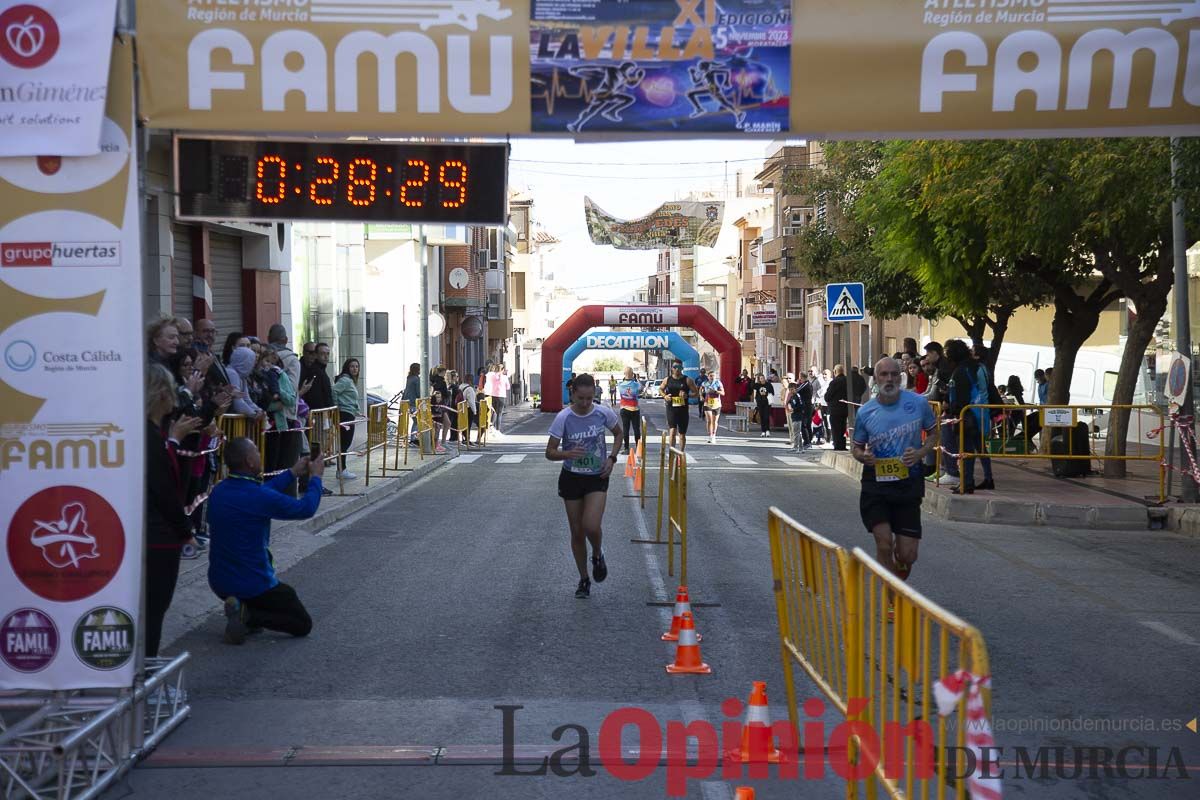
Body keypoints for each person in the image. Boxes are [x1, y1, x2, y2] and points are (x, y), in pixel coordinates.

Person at [207, 437, 323, 644]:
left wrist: (292, 472)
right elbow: (306, 508)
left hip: (219, 581)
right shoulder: (258, 497)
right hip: (253, 583)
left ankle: (243, 610)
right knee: (302, 623)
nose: (261, 455)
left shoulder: (219, 490)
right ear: (250, 461)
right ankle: (247, 615)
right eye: (257, 452)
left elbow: (261, 493)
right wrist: (316, 478)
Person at [851, 358, 939, 608]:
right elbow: (856, 447)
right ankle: (891, 600)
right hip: (875, 484)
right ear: (876, 379)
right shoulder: (865, 411)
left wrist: (921, 453)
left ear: (900, 378)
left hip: (908, 482)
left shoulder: (919, 404)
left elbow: (934, 433)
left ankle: (898, 568)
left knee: (907, 555)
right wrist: (863, 456)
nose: (889, 379)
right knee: (883, 542)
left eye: (893, 375)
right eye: (883, 375)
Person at [544, 374, 622, 599]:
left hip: (597, 476)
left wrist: (612, 458)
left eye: (590, 398)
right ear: (572, 394)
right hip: (571, 477)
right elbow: (549, 452)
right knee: (577, 531)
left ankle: (597, 554)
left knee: (591, 525)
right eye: (581, 398)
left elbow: (618, 433)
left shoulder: (602, 412)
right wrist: (566, 454)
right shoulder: (563, 417)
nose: (586, 403)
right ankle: (584, 579)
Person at [144, 364, 202, 657]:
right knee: (154, 609)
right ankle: (145, 679)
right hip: (158, 536)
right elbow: (166, 490)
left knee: (155, 609)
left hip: (158, 533)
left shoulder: (154, 434)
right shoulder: (149, 436)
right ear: (160, 394)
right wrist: (186, 531)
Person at [944, 339, 994, 494]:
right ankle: (988, 478)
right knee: (980, 447)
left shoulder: (961, 370)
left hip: (967, 414)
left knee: (966, 449)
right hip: (981, 413)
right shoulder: (980, 367)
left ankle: (967, 482)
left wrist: (953, 411)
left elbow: (960, 395)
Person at [660, 360, 698, 450]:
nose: (677, 369)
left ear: (682, 369)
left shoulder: (687, 380)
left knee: (681, 434)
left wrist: (687, 395)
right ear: (672, 369)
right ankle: (672, 452)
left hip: (683, 410)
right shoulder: (667, 380)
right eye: (675, 367)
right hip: (671, 408)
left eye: (679, 368)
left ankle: (681, 453)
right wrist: (665, 396)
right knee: (672, 431)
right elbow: (660, 389)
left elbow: (696, 393)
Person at [333, 358, 362, 478]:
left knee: (345, 443)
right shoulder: (345, 380)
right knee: (344, 443)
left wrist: (356, 411)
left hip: (349, 413)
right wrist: (337, 407)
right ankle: (341, 470)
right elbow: (333, 391)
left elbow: (350, 399)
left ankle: (341, 469)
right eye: (352, 366)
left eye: (356, 366)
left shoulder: (350, 381)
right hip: (344, 414)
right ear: (347, 367)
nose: (355, 369)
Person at [617, 366, 642, 454]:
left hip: (624, 409)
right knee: (636, 429)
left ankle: (626, 448)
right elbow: (640, 388)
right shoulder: (635, 384)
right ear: (632, 374)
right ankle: (639, 448)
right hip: (634, 409)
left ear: (624, 374)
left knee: (625, 429)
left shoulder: (620, 385)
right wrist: (636, 379)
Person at [825, 365, 849, 450]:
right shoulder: (847, 381)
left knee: (835, 429)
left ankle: (837, 446)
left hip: (835, 409)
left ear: (835, 372)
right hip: (845, 409)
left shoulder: (834, 382)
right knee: (843, 428)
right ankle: (843, 445)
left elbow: (827, 396)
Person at [788, 373, 814, 451]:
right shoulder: (808, 384)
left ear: (802, 378)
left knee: (803, 425)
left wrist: (796, 385)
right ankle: (808, 441)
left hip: (806, 408)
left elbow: (797, 390)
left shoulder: (805, 384)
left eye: (800, 378)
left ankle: (807, 442)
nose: (799, 380)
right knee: (807, 425)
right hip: (808, 406)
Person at [703, 368, 725, 445]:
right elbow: (700, 389)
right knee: (709, 420)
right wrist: (701, 396)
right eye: (710, 376)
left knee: (714, 421)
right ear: (708, 377)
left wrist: (715, 391)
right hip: (707, 402)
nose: (712, 377)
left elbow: (723, 393)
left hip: (716, 403)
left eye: (713, 376)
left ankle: (714, 435)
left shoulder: (718, 383)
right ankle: (710, 435)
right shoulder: (705, 383)